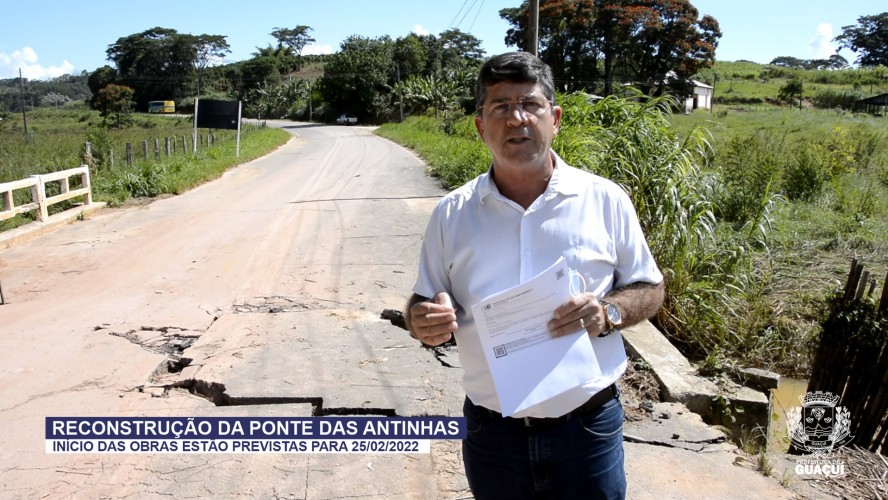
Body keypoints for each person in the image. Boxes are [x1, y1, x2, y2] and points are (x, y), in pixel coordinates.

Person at [405, 51, 665, 500]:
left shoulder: (604, 199)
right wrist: (422, 321)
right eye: (500, 107)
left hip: (586, 428)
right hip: (492, 435)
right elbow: (421, 301)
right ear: (480, 126)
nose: (516, 119)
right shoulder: (452, 214)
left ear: (555, 118)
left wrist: (609, 311)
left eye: (530, 104)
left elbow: (651, 287)